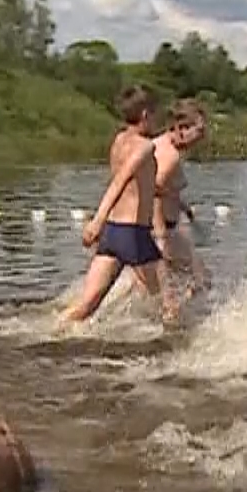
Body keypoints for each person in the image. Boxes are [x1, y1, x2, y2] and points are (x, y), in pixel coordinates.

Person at [60, 85, 177, 326]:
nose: (157, 122)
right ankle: (178, 355)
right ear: (145, 115)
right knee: (170, 306)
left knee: (86, 306)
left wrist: (169, 194)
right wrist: (96, 221)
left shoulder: (119, 141)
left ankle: (52, 331)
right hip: (135, 234)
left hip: (113, 234)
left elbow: (136, 184)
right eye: (155, 115)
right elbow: (121, 180)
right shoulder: (145, 146)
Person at [152, 98, 209, 303]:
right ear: (182, 128)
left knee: (151, 289)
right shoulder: (170, 155)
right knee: (201, 280)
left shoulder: (159, 144)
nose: (202, 137)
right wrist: (160, 238)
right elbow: (154, 191)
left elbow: (163, 188)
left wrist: (185, 208)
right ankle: (176, 325)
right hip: (163, 232)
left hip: (161, 229)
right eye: (200, 131)